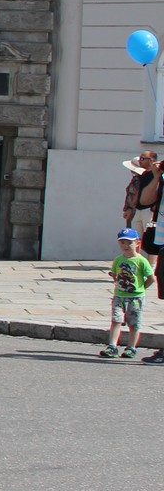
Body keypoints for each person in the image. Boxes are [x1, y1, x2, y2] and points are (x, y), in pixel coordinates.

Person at [105, 228, 152, 359]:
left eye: (129, 242)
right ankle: (112, 346)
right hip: (119, 296)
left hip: (135, 297)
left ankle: (131, 347)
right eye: (122, 243)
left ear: (137, 243)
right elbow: (115, 275)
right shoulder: (118, 259)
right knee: (116, 320)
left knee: (134, 323)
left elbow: (151, 278)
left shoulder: (141, 261)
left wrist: (142, 288)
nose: (125, 246)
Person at [122, 151, 161, 228]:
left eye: (142, 158)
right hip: (138, 210)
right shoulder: (142, 174)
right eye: (140, 158)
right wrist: (130, 208)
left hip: (150, 212)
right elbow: (137, 193)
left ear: (151, 160)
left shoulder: (158, 175)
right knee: (136, 234)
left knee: (149, 232)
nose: (140, 160)